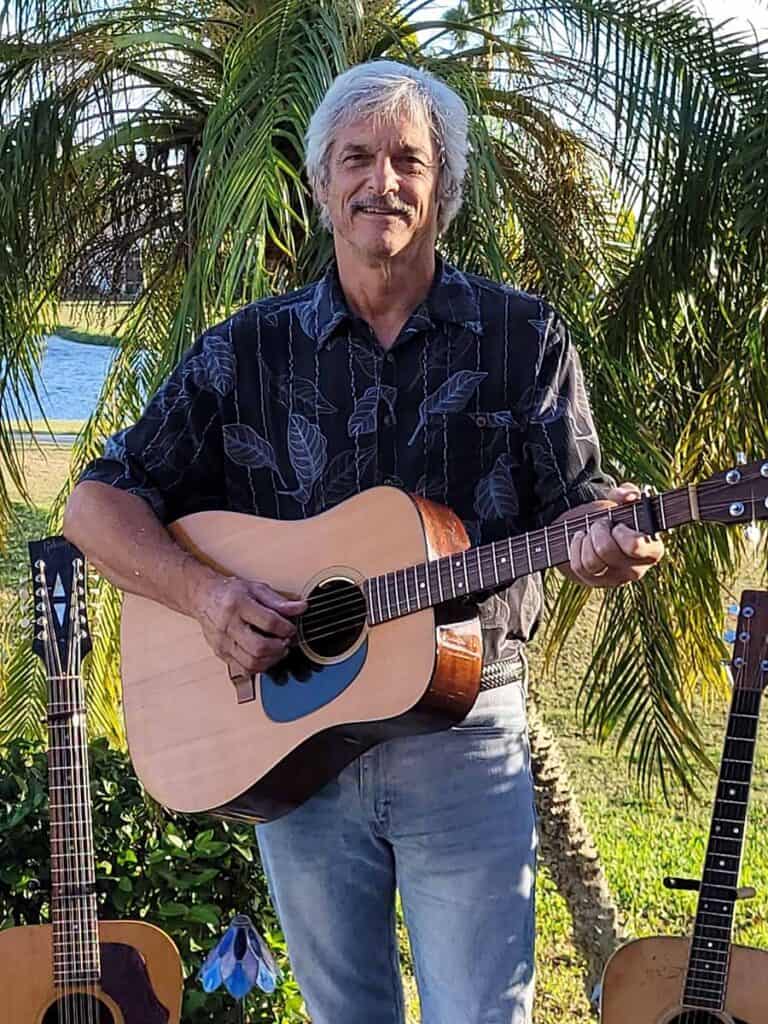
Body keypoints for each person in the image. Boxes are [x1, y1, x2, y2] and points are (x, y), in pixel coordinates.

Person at [63, 60, 664, 1024]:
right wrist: (208, 599)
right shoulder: (245, 351)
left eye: (407, 161)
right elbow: (94, 505)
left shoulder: (522, 339)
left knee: (479, 1012)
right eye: (356, 158)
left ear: (444, 190)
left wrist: (608, 542)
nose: (380, 180)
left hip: (464, 737)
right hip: (291, 740)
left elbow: (583, 506)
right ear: (321, 186)